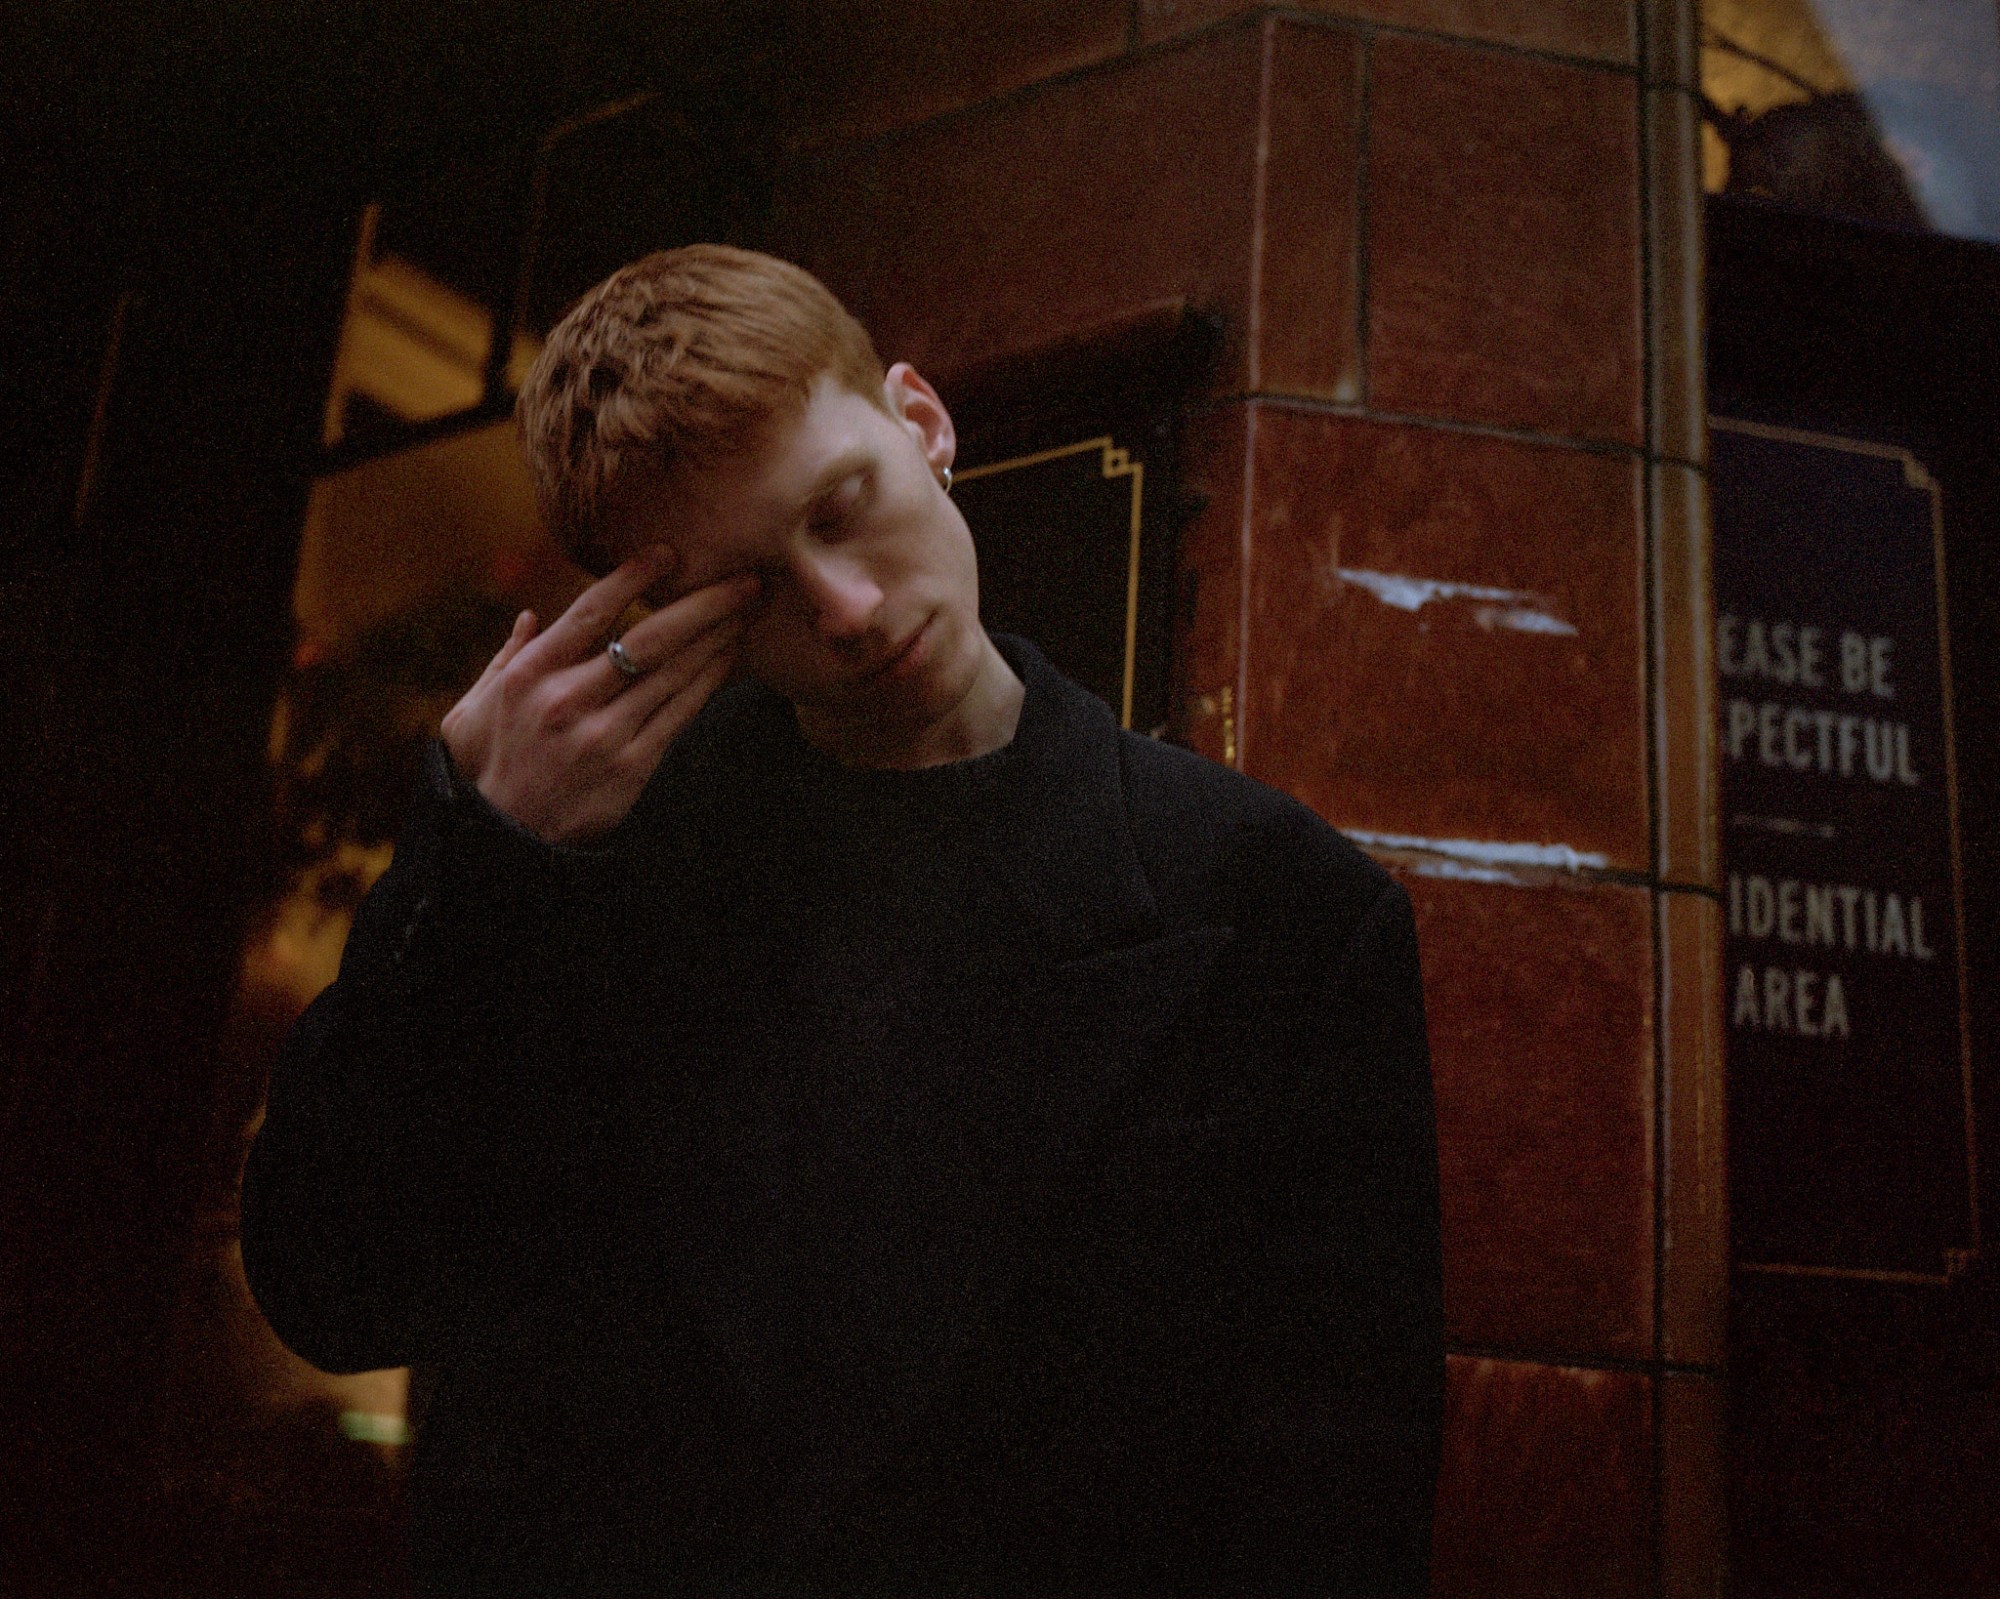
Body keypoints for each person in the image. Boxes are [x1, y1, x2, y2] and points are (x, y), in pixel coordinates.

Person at [239, 244, 1444, 1598]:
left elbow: (1337, 1507)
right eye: (751, 585)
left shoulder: (1275, 909)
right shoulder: (586, 881)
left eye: (841, 506)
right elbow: (338, 1292)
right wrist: (476, 866)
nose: (850, 609)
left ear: (921, 421)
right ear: (670, 606)